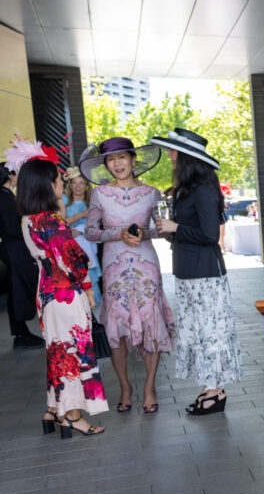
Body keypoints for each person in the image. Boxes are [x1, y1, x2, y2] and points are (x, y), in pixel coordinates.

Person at [4, 138, 107, 434]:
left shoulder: (29, 219)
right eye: (58, 179)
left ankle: (53, 410)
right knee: (73, 351)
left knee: (58, 351)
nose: (61, 183)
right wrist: (88, 288)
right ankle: (73, 415)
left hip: (46, 293)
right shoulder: (52, 220)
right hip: (66, 294)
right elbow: (74, 260)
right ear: (46, 186)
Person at [153, 129, 243, 415]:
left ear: (187, 157)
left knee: (211, 332)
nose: (170, 156)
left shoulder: (204, 188)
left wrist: (175, 227)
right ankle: (210, 388)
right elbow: (188, 232)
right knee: (200, 332)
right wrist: (169, 230)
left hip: (205, 273)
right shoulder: (187, 189)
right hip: (188, 272)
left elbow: (208, 233)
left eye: (174, 151)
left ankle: (215, 392)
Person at [82, 137, 174, 414]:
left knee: (151, 326)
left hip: (147, 265)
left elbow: (163, 229)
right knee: (117, 330)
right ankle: (125, 387)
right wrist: (116, 234)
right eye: (111, 159)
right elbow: (89, 231)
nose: (117, 164)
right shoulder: (99, 194)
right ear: (106, 165)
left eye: (122, 157)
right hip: (114, 269)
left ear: (134, 160)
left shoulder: (151, 193)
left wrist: (146, 233)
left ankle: (149, 387)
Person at [0, 161, 45, 349]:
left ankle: (21, 332)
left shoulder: (6, 195)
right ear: (10, 175)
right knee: (20, 289)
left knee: (17, 289)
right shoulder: (4, 197)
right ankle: (21, 334)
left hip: (12, 248)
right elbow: (12, 228)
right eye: (17, 173)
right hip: (14, 248)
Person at [62, 167, 101, 310]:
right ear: (70, 185)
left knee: (89, 277)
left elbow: (97, 225)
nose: (78, 186)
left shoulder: (92, 202)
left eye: (82, 183)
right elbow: (61, 222)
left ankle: (92, 309)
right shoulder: (64, 200)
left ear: (86, 186)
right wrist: (82, 215)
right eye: (75, 183)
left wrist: (79, 230)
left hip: (87, 246)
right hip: (68, 247)